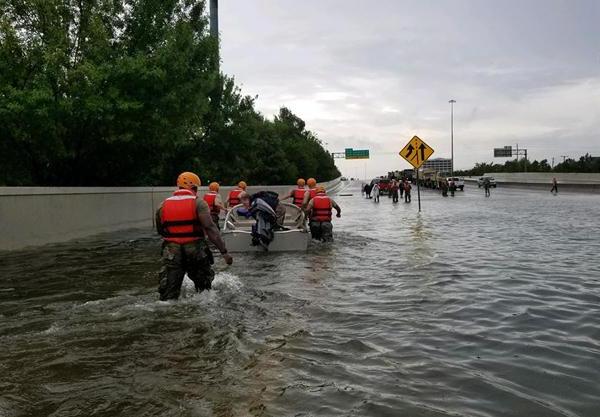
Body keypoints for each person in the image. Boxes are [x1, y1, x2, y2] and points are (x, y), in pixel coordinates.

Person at [155, 172, 233, 301]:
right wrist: (224, 252)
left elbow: (161, 231)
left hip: (172, 251)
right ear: (195, 188)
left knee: (168, 294)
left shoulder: (163, 205)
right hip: (195, 249)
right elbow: (210, 229)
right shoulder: (198, 203)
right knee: (204, 291)